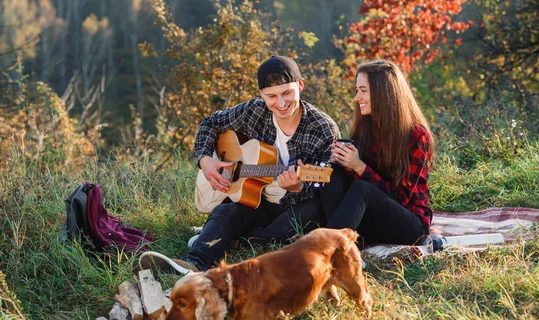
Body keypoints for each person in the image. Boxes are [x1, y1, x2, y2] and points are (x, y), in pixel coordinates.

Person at [139, 55, 340, 274]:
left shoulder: (323, 129)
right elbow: (210, 123)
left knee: (312, 213)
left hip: (292, 205)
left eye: (287, 93)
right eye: (272, 96)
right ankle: (192, 263)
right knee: (226, 211)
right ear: (261, 94)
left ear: (300, 86)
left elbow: (329, 188)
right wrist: (205, 160)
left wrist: (299, 187)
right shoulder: (254, 110)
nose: (281, 103)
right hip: (256, 200)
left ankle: (233, 238)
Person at [320, 59, 435, 247]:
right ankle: (347, 244)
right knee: (331, 174)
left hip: (409, 225)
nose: (357, 98)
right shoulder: (365, 128)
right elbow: (357, 191)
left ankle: (326, 250)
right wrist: (344, 163)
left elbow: (401, 198)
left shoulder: (416, 135)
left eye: (363, 91)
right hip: (372, 221)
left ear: (384, 93)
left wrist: (359, 166)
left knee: (362, 188)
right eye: (357, 90)